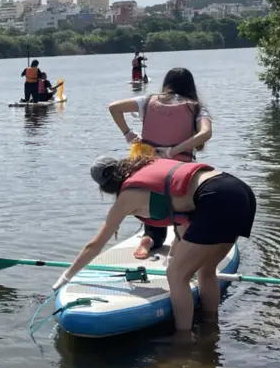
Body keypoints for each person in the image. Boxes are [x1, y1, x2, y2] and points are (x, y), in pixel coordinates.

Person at [51, 154, 257, 333]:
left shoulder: (127, 197)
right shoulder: (150, 170)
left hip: (215, 197)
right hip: (239, 191)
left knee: (176, 275)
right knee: (206, 269)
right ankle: (211, 326)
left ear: (104, 187)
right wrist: (174, 254)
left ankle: (183, 338)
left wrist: (66, 276)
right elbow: (186, 224)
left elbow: (94, 245)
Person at [107, 67, 213, 259]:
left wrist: (128, 134)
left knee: (150, 201)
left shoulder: (148, 101)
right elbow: (205, 134)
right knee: (185, 206)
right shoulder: (196, 107)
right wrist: (173, 151)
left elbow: (114, 107)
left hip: (150, 167)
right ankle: (178, 241)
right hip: (180, 170)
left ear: (167, 84)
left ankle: (150, 237)